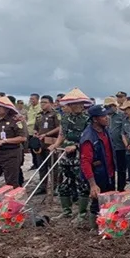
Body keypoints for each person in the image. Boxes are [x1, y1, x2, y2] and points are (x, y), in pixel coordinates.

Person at [49, 88, 91, 223]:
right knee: (65, 182)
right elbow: (62, 134)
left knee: (82, 183)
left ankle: (82, 213)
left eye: (78, 104)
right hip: (66, 154)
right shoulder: (66, 118)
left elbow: (89, 137)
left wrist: (76, 146)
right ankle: (66, 211)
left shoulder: (88, 119)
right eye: (72, 104)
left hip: (81, 153)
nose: (75, 106)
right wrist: (55, 144)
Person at [80, 105, 116, 230]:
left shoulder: (105, 131)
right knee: (97, 203)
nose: (107, 118)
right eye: (103, 116)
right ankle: (94, 229)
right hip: (98, 175)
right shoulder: (88, 137)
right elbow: (85, 162)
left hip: (109, 172)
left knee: (108, 201)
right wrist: (93, 184)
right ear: (95, 119)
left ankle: (106, 226)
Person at [33, 95, 60, 194]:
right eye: (41, 102)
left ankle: (55, 186)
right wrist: (36, 132)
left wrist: (47, 134)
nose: (42, 104)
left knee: (53, 166)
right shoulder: (39, 115)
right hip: (40, 144)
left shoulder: (55, 114)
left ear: (51, 103)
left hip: (51, 142)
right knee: (41, 166)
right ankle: (42, 186)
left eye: (45, 102)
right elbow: (36, 127)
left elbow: (59, 127)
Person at [105, 96, 128, 192]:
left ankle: (121, 189)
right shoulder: (104, 116)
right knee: (110, 168)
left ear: (115, 105)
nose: (109, 108)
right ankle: (111, 189)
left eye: (110, 106)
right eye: (107, 107)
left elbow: (124, 130)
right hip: (109, 147)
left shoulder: (122, 115)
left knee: (121, 169)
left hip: (120, 146)